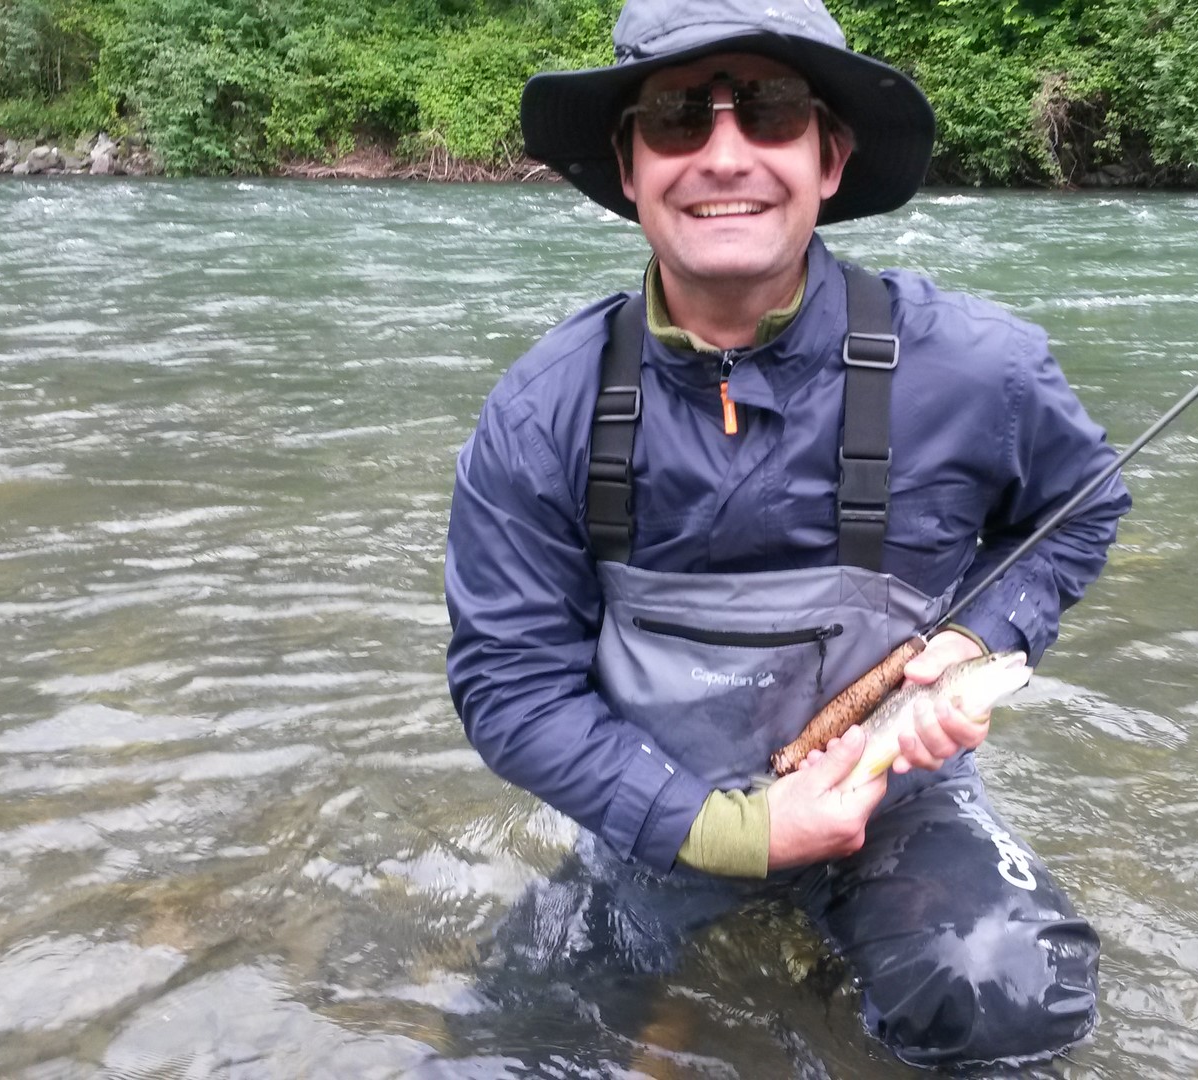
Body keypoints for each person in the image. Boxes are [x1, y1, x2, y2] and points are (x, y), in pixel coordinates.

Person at [443, 0, 1131, 1066]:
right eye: (678, 117)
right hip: (654, 826)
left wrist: (987, 633)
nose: (725, 155)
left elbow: (1079, 510)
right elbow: (509, 684)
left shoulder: (978, 367)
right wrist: (732, 833)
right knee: (503, 1056)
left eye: (767, 111)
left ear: (831, 157)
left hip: (900, 813)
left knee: (1009, 994)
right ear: (629, 167)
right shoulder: (544, 411)